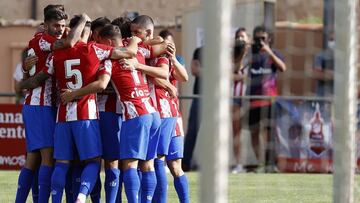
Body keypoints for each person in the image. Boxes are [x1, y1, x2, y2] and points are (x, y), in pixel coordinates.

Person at [46, 16, 139, 203]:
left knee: (62, 163)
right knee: (94, 161)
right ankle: (82, 197)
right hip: (85, 113)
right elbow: (126, 54)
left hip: (62, 115)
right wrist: (136, 40)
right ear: (87, 33)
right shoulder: (95, 49)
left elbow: (44, 75)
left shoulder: (56, 54)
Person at [14, 8, 89, 203]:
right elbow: (71, 41)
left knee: (34, 159)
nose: (60, 29)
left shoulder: (40, 38)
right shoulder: (42, 40)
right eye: (56, 25)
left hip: (43, 106)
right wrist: (83, 20)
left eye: (63, 26)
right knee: (47, 159)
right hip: (40, 106)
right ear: (45, 24)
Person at [248, 25, 286, 172]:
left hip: (270, 101)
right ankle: (261, 164)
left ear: (269, 38)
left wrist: (268, 51)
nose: (260, 42)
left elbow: (283, 68)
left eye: (263, 38)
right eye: (257, 39)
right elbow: (237, 68)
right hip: (253, 100)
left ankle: (271, 164)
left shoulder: (275, 54)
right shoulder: (250, 54)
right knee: (254, 133)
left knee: (270, 134)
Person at [159, 29, 190, 203]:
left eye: (171, 43)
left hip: (173, 115)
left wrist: (172, 57)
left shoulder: (177, 60)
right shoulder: (152, 59)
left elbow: (184, 76)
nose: (168, 46)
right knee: (158, 163)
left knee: (175, 165)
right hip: (158, 115)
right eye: (165, 43)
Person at [182, 46, 202, 171]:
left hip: (215, 100)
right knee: (192, 132)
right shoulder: (199, 51)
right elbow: (194, 70)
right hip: (198, 98)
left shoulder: (220, 51)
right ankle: (185, 163)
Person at [231, 38, 249, 174]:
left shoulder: (251, 60)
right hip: (234, 100)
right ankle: (239, 164)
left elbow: (247, 76)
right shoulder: (230, 60)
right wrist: (241, 55)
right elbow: (233, 74)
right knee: (235, 133)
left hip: (249, 99)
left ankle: (262, 163)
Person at [312, 32, 334, 97]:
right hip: (322, 95)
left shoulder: (345, 58)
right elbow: (317, 74)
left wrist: (325, 72)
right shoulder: (320, 56)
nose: (333, 42)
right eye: (331, 40)